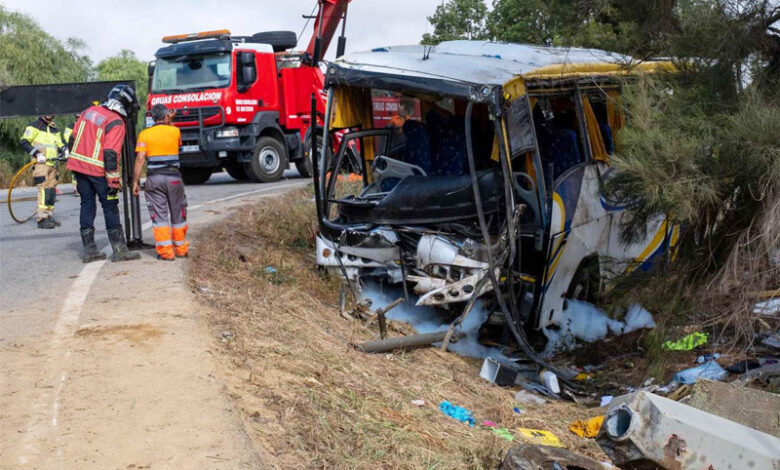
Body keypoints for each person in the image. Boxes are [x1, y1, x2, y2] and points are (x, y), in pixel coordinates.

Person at [66, 84, 141, 263]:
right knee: (110, 206)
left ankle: (89, 251)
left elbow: (73, 138)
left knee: (87, 205)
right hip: (98, 171)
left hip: (79, 168)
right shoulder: (116, 121)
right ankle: (119, 250)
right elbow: (110, 153)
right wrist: (114, 182)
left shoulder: (88, 111)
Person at [132, 104, 189, 261]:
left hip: (154, 179)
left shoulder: (144, 135)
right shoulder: (175, 131)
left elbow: (140, 159)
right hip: (174, 179)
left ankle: (166, 253)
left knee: (160, 216)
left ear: (152, 117)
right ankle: (181, 249)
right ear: (166, 117)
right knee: (178, 214)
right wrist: (170, 121)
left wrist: (135, 182)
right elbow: (177, 145)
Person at [20, 115, 66, 229]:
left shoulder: (54, 129)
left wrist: (65, 149)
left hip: (53, 164)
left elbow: (60, 144)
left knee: (51, 192)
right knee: (44, 190)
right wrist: (37, 154)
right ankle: (42, 219)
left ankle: (49, 216)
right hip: (41, 164)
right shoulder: (34, 126)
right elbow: (24, 142)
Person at [62, 115, 80, 197]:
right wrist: (66, 149)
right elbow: (66, 138)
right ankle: (76, 188)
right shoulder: (70, 126)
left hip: (85, 151)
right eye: (77, 117)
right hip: (74, 151)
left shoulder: (87, 124)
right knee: (75, 170)